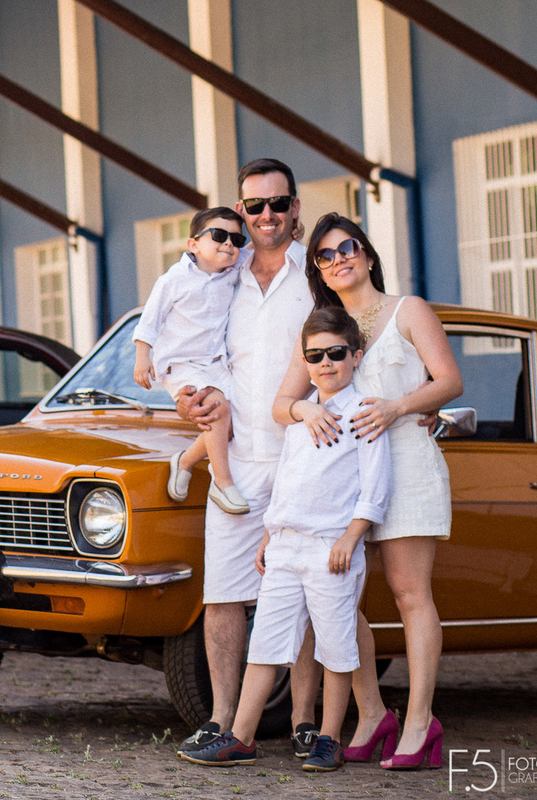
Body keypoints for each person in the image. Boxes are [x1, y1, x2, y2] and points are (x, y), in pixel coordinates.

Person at [272, 212, 462, 770]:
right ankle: (373, 710)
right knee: (338, 602)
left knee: (409, 594)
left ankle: (422, 722)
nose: (338, 259)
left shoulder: (409, 309)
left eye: (347, 247)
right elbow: (281, 404)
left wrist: (400, 406)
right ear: (319, 271)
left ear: (369, 254)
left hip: (404, 463)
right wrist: (305, 406)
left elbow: (449, 380)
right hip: (338, 485)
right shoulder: (321, 326)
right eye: (325, 255)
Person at [180, 307, 391, 772]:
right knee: (267, 645)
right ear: (304, 360)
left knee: (334, 646)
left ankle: (329, 738)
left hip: (331, 550)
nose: (326, 363)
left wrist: (351, 537)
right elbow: (288, 482)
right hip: (284, 546)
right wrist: (268, 534)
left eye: (336, 353)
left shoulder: (363, 414)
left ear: (356, 355)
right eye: (315, 355)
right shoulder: (300, 418)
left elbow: (375, 487)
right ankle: (240, 736)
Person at [174, 158, 319, 758]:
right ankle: (223, 720)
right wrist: (187, 399)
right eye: (253, 207)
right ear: (238, 211)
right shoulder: (218, 277)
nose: (265, 216)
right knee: (224, 594)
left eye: (277, 205)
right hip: (235, 461)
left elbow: (358, 341)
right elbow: (191, 352)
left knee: (311, 593)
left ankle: (309, 721)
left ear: (295, 209)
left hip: (306, 460)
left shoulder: (317, 277)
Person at [133, 206, 249, 514]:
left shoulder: (234, 269)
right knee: (215, 409)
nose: (229, 244)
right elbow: (150, 321)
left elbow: (265, 250)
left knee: (239, 422)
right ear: (193, 244)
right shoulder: (173, 280)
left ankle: (185, 460)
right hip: (181, 365)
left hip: (215, 364)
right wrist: (142, 357)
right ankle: (223, 484)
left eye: (236, 238)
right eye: (219, 235)